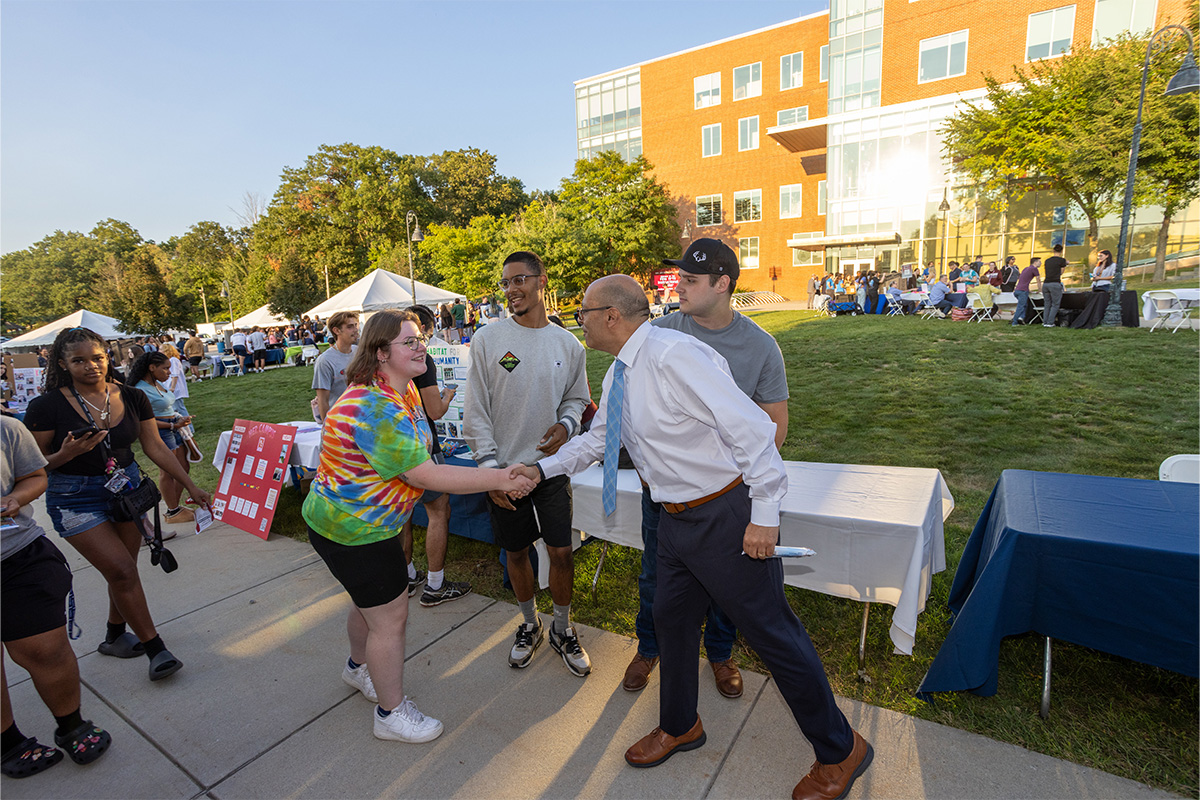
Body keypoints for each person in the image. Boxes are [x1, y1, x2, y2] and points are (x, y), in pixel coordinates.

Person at [522, 274, 872, 799]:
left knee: (773, 634)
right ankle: (680, 723)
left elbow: (753, 431)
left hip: (724, 517)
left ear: (612, 316)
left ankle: (842, 750)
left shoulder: (675, 356)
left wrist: (765, 514)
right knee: (672, 620)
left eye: (584, 312)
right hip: (674, 521)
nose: (580, 322)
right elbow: (600, 438)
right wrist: (541, 470)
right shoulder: (621, 372)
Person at [302, 309, 534, 743]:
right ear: (380, 352)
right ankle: (390, 714)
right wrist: (501, 477)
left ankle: (357, 669)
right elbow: (425, 475)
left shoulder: (396, 389)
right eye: (409, 341)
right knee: (390, 620)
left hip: (353, 524)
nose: (421, 346)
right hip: (356, 530)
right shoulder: (375, 407)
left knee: (367, 604)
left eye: (420, 338)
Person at [621, 238, 788, 699]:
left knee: (726, 584)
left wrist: (748, 493)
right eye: (680, 278)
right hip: (668, 494)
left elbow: (774, 424)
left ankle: (720, 653)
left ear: (722, 284)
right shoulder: (659, 333)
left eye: (690, 280)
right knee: (655, 574)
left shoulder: (760, 346)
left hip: (727, 497)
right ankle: (649, 647)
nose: (679, 287)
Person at [23, 327, 211, 682]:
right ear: (62, 363)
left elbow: (154, 447)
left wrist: (191, 485)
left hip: (126, 491)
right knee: (122, 570)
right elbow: (30, 467)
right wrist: (65, 454)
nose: (90, 366)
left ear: (108, 357)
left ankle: (113, 635)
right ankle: (156, 649)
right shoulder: (45, 407)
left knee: (123, 568)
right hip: (74, 497)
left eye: (97, 358)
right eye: (78, 360)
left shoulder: (130, 396)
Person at [463, 251, 592, 676]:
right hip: (502, 469)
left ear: (541, 281)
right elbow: (476, 410)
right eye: (505, 283)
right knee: (516, 553)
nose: (511, 290)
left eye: (519, 280)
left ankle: (562, 628)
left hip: (550, 471)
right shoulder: (487, 339)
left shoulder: (568, 344)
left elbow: (577, 397)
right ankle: (529, 624)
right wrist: (489, 472)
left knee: (561, 552)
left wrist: (567, 423)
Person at [1, 416, 113, 779]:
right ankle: (7, 742)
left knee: (46, 648)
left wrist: (14, 500)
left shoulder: (6, 429)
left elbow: (34, 477)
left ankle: (72, 725)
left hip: (16, 556)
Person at [399, 305, 471, 607]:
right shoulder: (421, 359)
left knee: (401, 516)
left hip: (395, 447)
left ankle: (406, 577)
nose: (422, 343)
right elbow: (435, 411)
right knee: (438, 510)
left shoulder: (384, 359)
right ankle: (435, 584)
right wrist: (450, 394)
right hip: (422, 447)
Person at [128, 353, 195, 526]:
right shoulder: (139, 389)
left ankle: (174, 507)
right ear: (151, 368)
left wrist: (178, 420)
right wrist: (172, 425)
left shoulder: (156, 383)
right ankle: (172, 511)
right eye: (164, 368)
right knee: (168, 471)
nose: (168, 372)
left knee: (183, 466)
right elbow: (142, 420)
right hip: (163, 430)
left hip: (174, 426)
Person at [312, 311, 359, 421]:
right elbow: (323, 401)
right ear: (336, 331)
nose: (356, 330)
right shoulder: (325, 361)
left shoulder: (358, 352)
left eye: (355, 325)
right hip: (339, 421)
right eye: (350, 327)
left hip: (361, 418)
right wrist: (326, 429)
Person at [158, 344, 200, 463]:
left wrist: (171, 388)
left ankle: (189, 429)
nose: (159, 351)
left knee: (179, 409)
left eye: (161, 349)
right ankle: (188, 428)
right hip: (171, 389)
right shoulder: (170, 360)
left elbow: (174, 375)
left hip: (175, 390)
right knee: (179, 408)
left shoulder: (173, 360)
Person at [1042, 245, 1068, 327]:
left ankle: (1045, 322)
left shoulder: (1047, 261)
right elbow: (1061, 272)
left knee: (1047, 304)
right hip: (1055, 283)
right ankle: (1050, 322)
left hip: (1045, 283)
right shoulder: (1062, 260)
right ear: (1061, 251)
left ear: (1053, 250)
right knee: (1055, 304)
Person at [1012, 258, 1043, 326]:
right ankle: (1015, 322)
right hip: (1023, 291)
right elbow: (1038, 280)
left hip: (1017, 290)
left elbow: (1023, 280)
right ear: (1035, 262)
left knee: (1025, 305)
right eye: (1039, 262)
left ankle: (1021, 318)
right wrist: (1040, 289)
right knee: (1021, 306)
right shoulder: (1034, 269)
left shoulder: (1026, 268)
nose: (1041, 263)